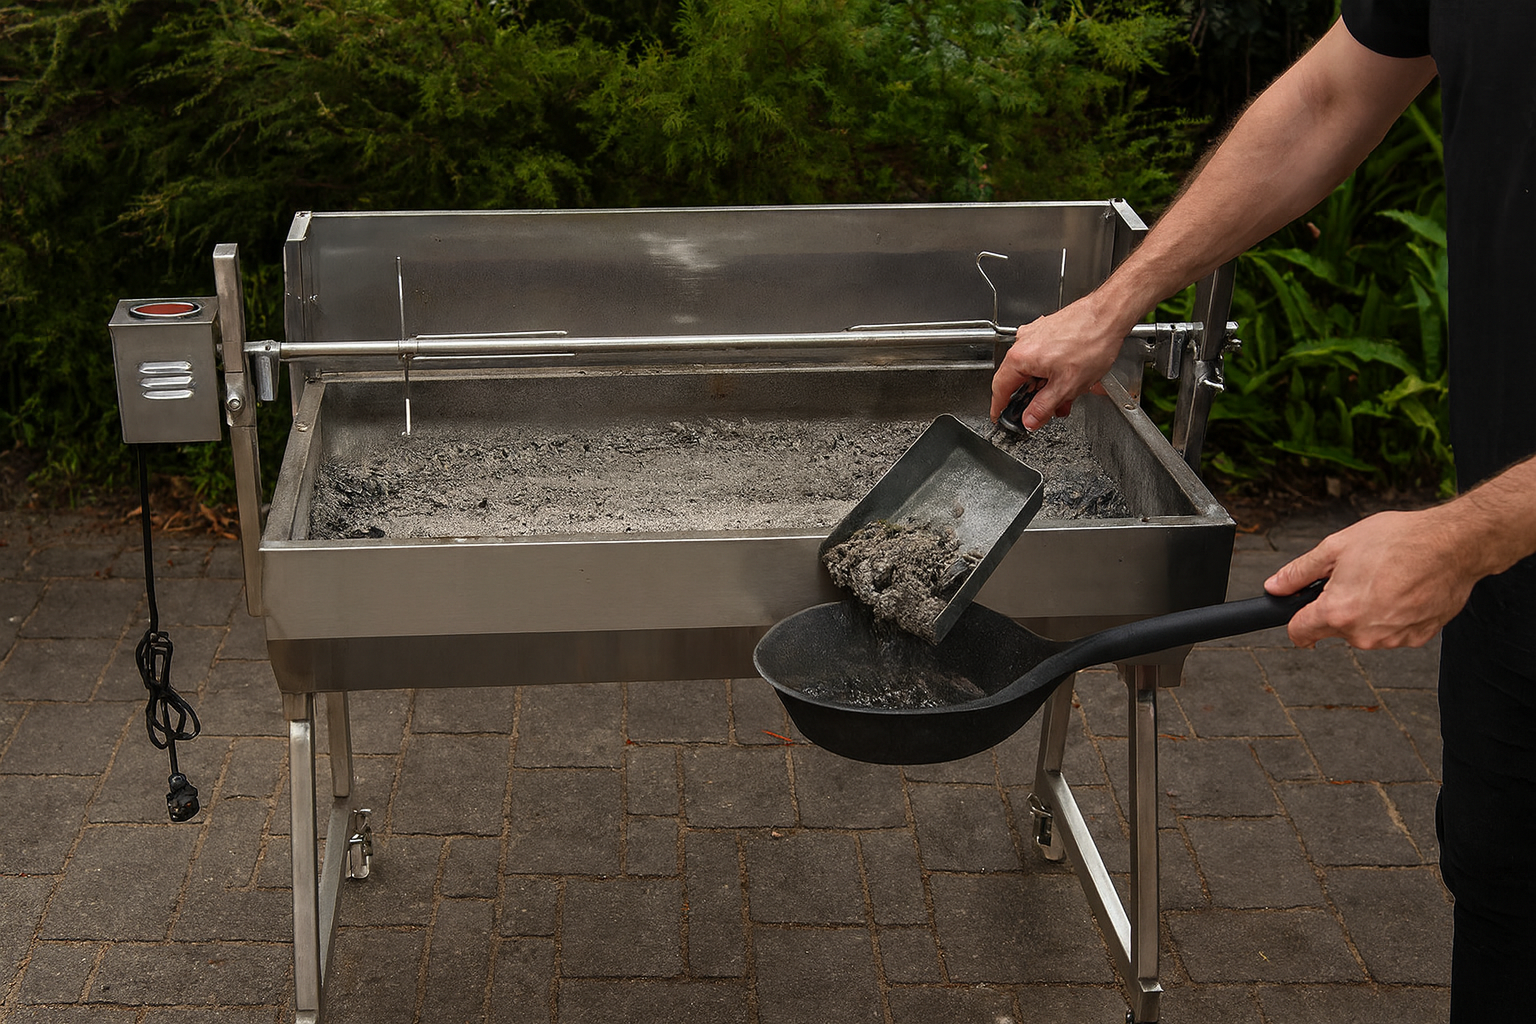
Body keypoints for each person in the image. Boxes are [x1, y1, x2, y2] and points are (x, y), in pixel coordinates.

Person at [989, 5, 1536, 1018]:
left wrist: (1469, 533)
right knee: (1503, 896)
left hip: (1499, 536)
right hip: (1512, 591)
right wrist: (1115, 304)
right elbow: (1329, 100)